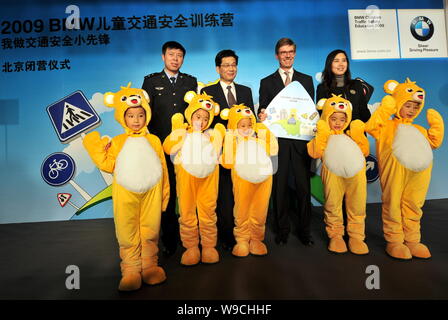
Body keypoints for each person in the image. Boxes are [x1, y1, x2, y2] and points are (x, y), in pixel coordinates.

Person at [83, 83, 169, 291]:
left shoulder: (154, 140)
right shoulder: (118, 141)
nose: (136, 120)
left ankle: (150, 266)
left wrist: (165, 195)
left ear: (146, 116)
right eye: (131, 116)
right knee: (127, 232)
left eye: (140, 115)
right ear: (123, 117)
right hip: (125, 195)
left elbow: (163, 169)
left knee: (150, 231)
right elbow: (108, 164)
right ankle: (130, 270)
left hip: (151, 194)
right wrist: (95, 147)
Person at [365, 78, 444, 260]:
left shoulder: (419, 129)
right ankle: (394, 241)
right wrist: (386, 109)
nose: (412, 111)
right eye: (408, 105)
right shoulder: (386, 126)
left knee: (414, 205)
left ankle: (412, 240)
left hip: (419, 174)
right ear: (398, 103)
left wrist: (437, 126)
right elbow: (371, 126)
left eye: (416, 107)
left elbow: (434, 142)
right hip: (395, 172)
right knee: (393, 204)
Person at [142, 41, 197, 256]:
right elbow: (144, 115)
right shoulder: (151, 82)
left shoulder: (190, 82)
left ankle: (189, 238)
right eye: (171, 54)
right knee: (168, 193)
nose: (175, 59)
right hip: (161, 148)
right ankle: (169, 239)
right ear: (163, 57)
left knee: (187, 193)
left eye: (180, 55)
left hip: (186, 147)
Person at [258, 38, 315, 246]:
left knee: (303, 188)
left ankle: (304, 231)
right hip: (277, 143)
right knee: (279, 188)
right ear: (277, 55)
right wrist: (261, 114)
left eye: (291, 51)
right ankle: (282, 230)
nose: (287, 55)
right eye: (283, 52)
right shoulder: (266, 82)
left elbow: (310, 113)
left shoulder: (307, 80)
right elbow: (262, 109)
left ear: (295, 53)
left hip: (301, 144)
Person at [163, 91, 225, 266]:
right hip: (186, 179)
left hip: (208, 180)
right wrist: (178, 131)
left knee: (208, 213)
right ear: (190, 115)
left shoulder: (211, 135)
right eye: (198, 116)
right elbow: (168, 148)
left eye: (206, 119)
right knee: (187, 213)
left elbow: (218, 152)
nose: (202, 121)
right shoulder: (183, 131)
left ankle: (208, 246)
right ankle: (191, 247)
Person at [201, 49, 254, 250]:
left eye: (233, 65)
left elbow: (252, 121)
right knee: (224, 193)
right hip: (221, 151)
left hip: (243, 151)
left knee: (242, 192)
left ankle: (243, 232)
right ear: (218, 69)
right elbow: (204, 122)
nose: (231, 68)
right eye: (226, 65)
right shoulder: (208, 92)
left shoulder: (246, 91)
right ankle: (226, 234)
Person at [307, 95, 370, 255]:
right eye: (333, 118)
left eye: (342, 119)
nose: (337, 122)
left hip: (356, 175)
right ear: (326, 117)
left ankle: (356, 237)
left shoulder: (350, 135)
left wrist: (358, 134)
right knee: (332, 204)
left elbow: (365, 151)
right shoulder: (324, 137)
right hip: (333, 175)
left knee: (357, 206)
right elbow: (314, 152)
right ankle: (336, 236)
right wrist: (321, 132)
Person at [220, 104, 278, 257]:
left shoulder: (259, 140)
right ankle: (242, 240)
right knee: (242, 210)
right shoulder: (234, 141)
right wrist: (229, 138)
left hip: (264, 181)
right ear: (233, 125)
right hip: (242, 182)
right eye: (242, 125)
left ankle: (257, 239)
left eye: (249, 124)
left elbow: (273, 149)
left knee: (260, 211)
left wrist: (264, 129)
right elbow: (227, 162)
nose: (246, 128)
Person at [316, 49, 371, 123]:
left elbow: (365, 115)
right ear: (329, 64)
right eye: (336, 61)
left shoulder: (357, 84)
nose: (341, 64)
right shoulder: (322, 88)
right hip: (334, 133)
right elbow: (322, 116)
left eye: (344, 60)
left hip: (356, 132)